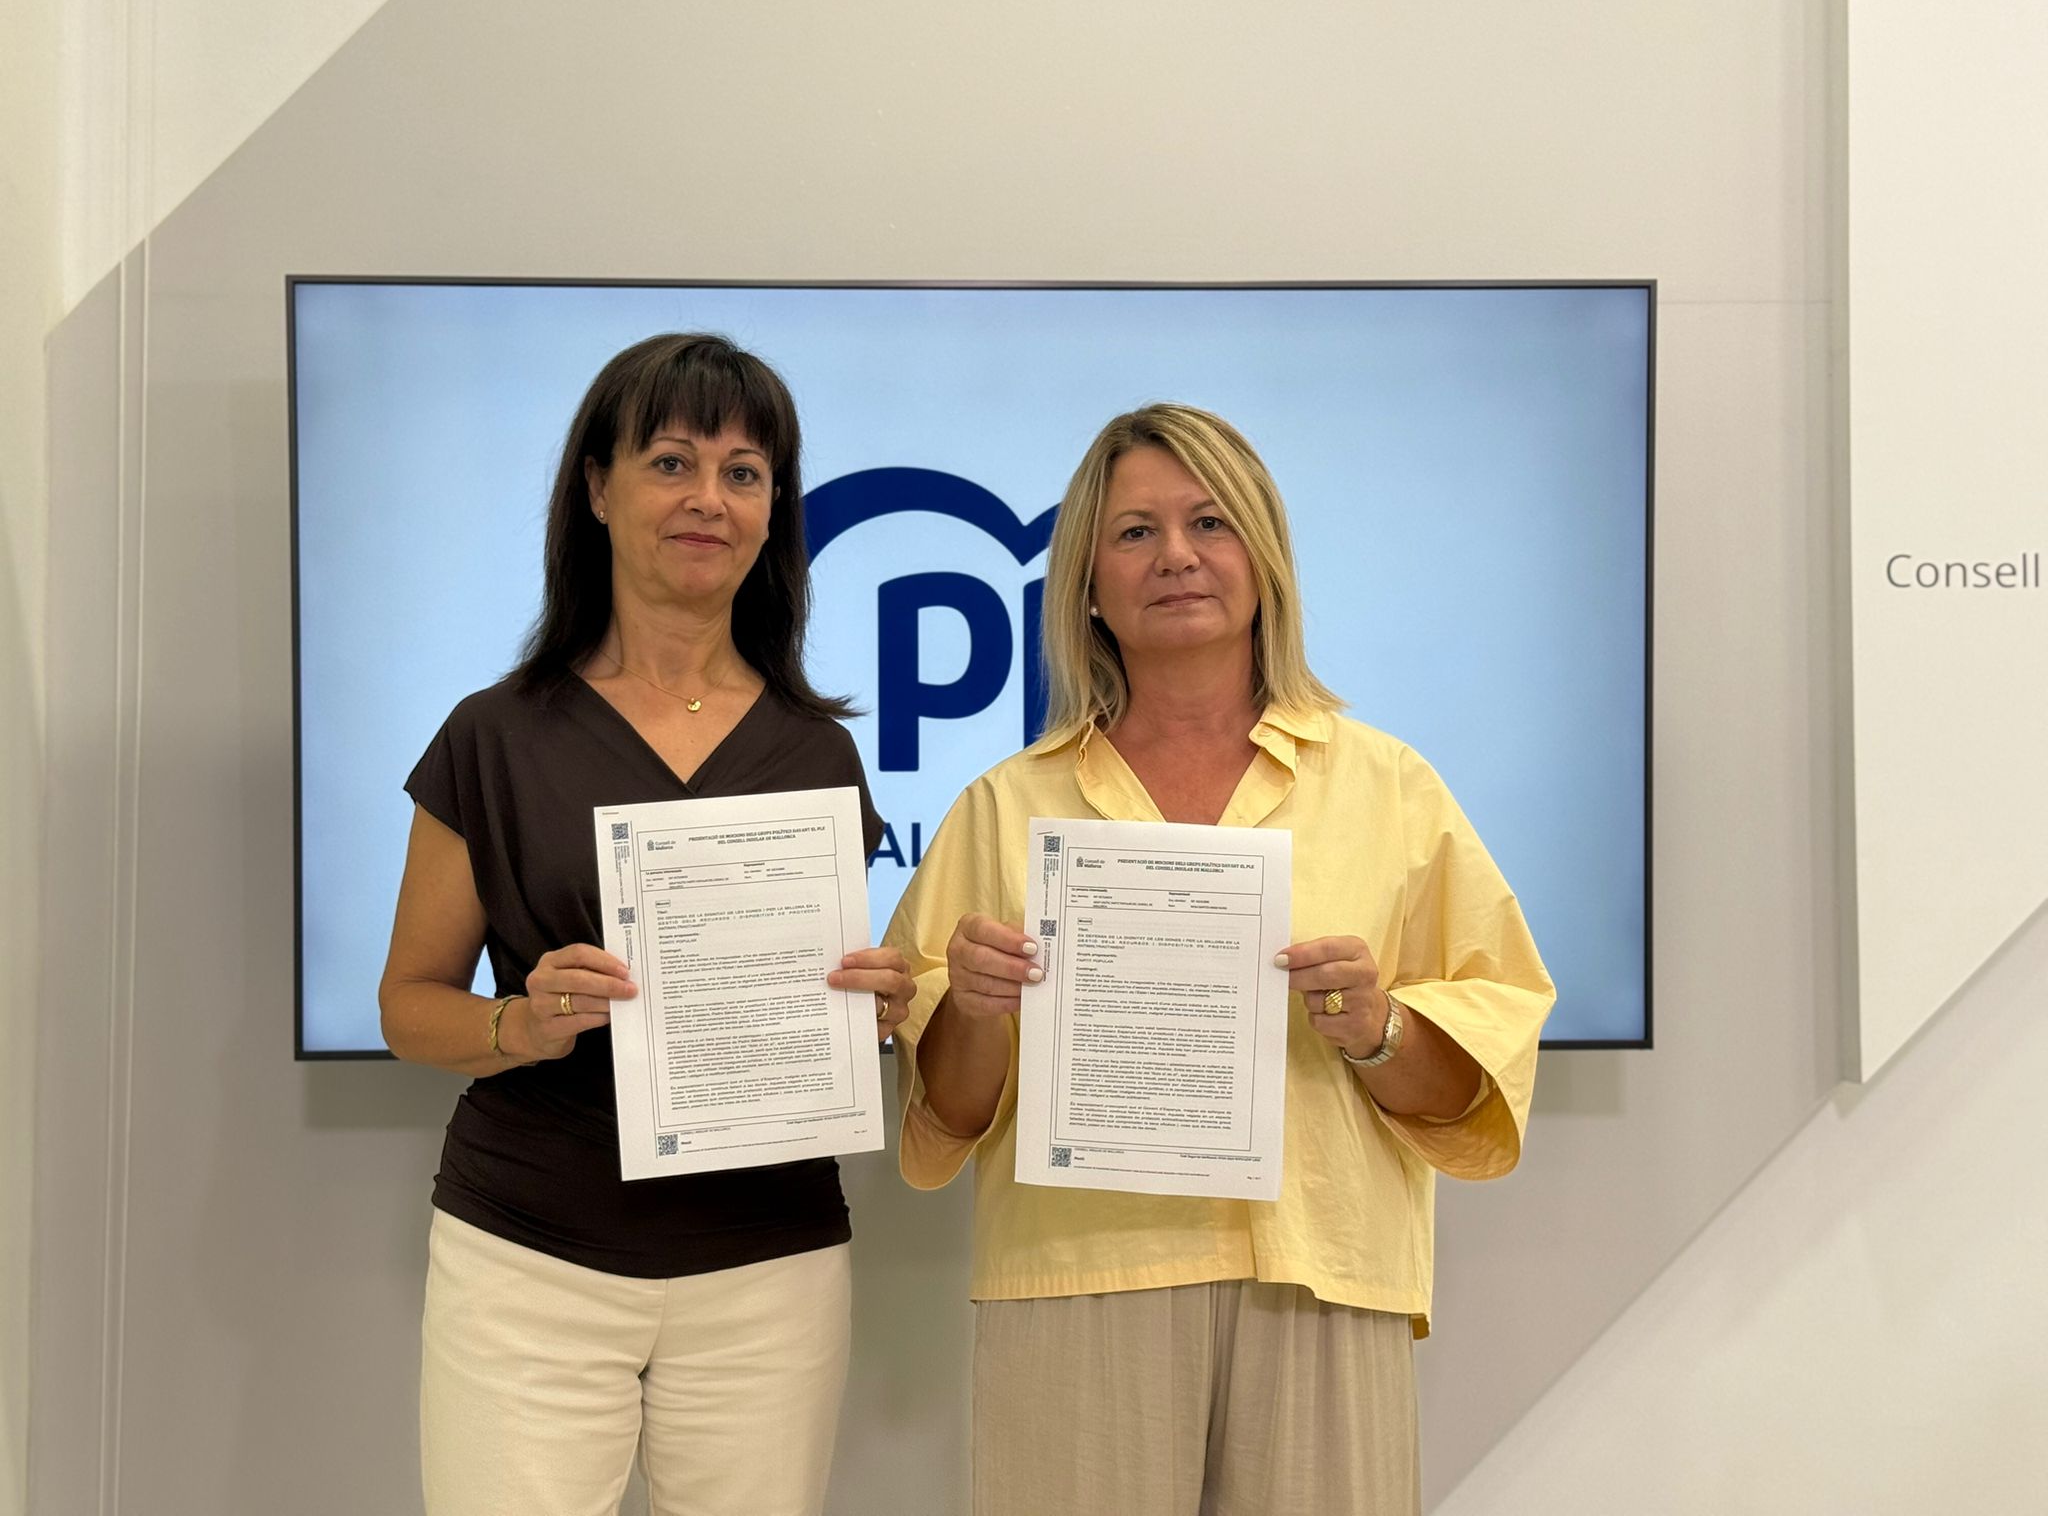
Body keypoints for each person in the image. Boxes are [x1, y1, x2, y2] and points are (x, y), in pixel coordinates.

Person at [885, 403, 1556, 1516]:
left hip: (1320, 1273)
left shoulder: (1393, 788)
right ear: (1085, 583)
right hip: (1080, 1271)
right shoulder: (1003, 808)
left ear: (1264, 559)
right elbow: (947, 1114)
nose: (1177, 556)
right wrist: (974, 1007)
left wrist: (1379, 1028)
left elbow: (1467, 1092)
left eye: (1210, 522)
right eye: (1134, 532)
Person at [378, 333, 913, 1516]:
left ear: (772, 512)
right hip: (530, 1255)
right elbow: (408, 1006)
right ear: (596, 489)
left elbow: (810, 1001)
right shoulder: (492, 735)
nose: (707, 499)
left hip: (769, 1263)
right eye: (671, 462)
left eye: (743, 473)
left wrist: (871, 1013)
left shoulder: (816, 751)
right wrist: (517, 1025)